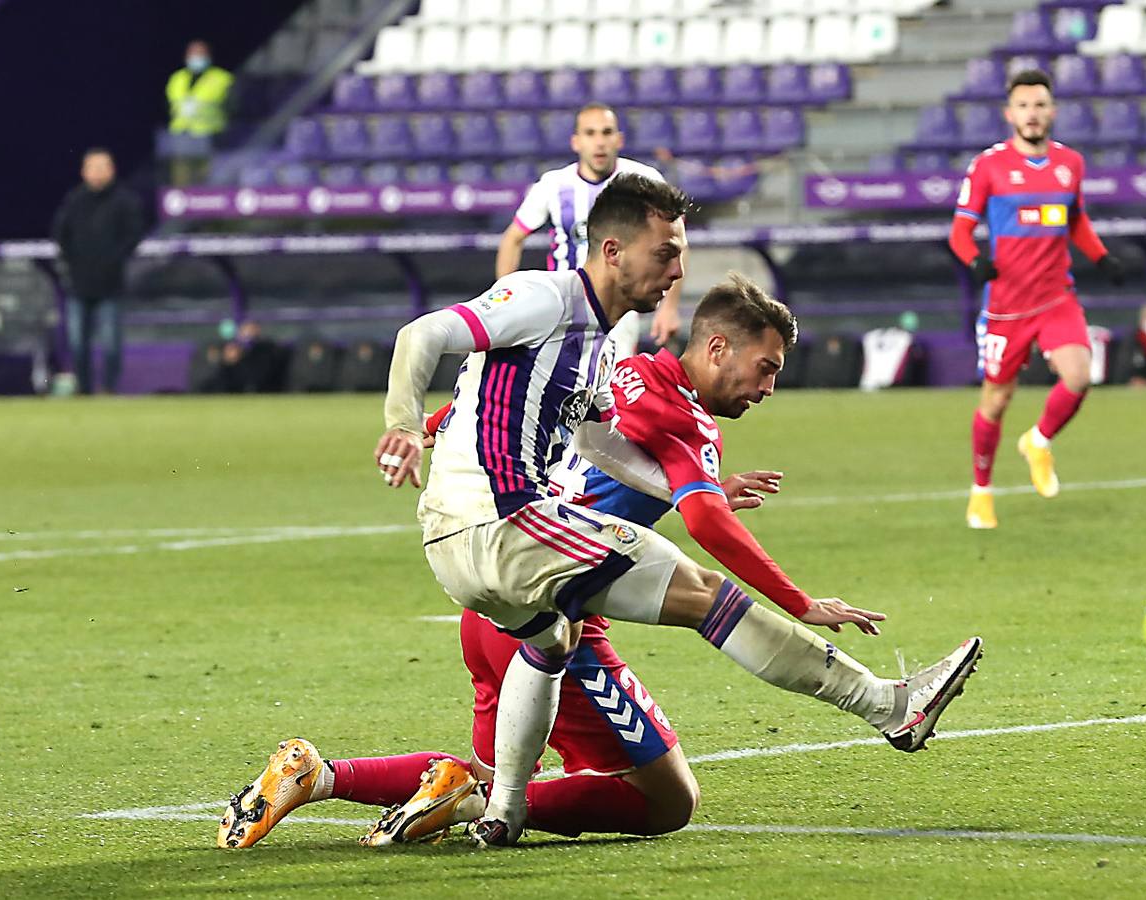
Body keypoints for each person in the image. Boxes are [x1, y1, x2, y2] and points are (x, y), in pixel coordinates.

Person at [216, 280, 967, 849]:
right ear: (715, 349)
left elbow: (549, 436)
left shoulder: (617, 374)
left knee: (497, 774)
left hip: (489, 605)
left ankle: (318, 775)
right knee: (667, 800)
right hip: (558, 615)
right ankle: (885, 705)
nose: (767, 389)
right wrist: (796, 597)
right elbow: (703, 520)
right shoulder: (683, 416)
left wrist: (430, 430)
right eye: (763, 368)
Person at [372, 173, 982, 847]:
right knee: (704, 596)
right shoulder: (543, 296)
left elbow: (600, 445)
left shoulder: (601, 350)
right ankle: (886, 705)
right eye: (665, 252)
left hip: (468, 548)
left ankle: (503, 809)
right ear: (611, 250)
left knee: (550, 640)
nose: (677, 269)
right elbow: (419, 334)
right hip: (501, 520)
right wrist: (402, 423)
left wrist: (680, 489)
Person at [948, 69, 1125, 530]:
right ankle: (981, 492)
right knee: (996, 399)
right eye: (1024, 106)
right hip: (1006, 305)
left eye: (1040, 105)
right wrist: (974, 262)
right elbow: (960, 231)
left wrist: (1102, 258)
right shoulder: (988, 166)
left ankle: (1039, 441)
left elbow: (1077, 221)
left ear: (1052, 111)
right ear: (1010, 114)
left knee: (1080, 376)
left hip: (1055, 297)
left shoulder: (1071, 164)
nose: (1032, 113)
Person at [495, 102, 684, 351]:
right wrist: (506, 303)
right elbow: (512, 239)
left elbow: (677, 242)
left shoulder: (644, 181)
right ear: (576, 142)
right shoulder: (554, 185)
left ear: (619, 139)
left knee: (610, 386)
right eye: (590, 133)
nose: (599, 142)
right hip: (562, 305)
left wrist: (669, 307)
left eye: (606, 133)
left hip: (620, 308)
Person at [51, 148, 145, 395]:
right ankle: (84, 390)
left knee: (111, 344)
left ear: (112, 170)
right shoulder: (75, 200)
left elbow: (134, 234)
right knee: (77, 343)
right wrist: (71, 263)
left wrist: (114, 259)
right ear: (84, 171)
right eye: (93, 167)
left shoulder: (125, 201)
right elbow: (61, 234)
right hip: (79, 284)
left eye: (103, 167)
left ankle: (109, 389)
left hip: (110, 284)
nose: (97, 173)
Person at [165, 40, 234, 185]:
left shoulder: (222, 78)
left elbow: (233, 108)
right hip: (181, 137)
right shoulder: (177, 78)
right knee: (181, 182)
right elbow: (170, 107)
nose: (196, 57)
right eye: (193, 53)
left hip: (211, 138)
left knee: (207, 181)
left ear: (208, 56)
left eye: (200, 53)